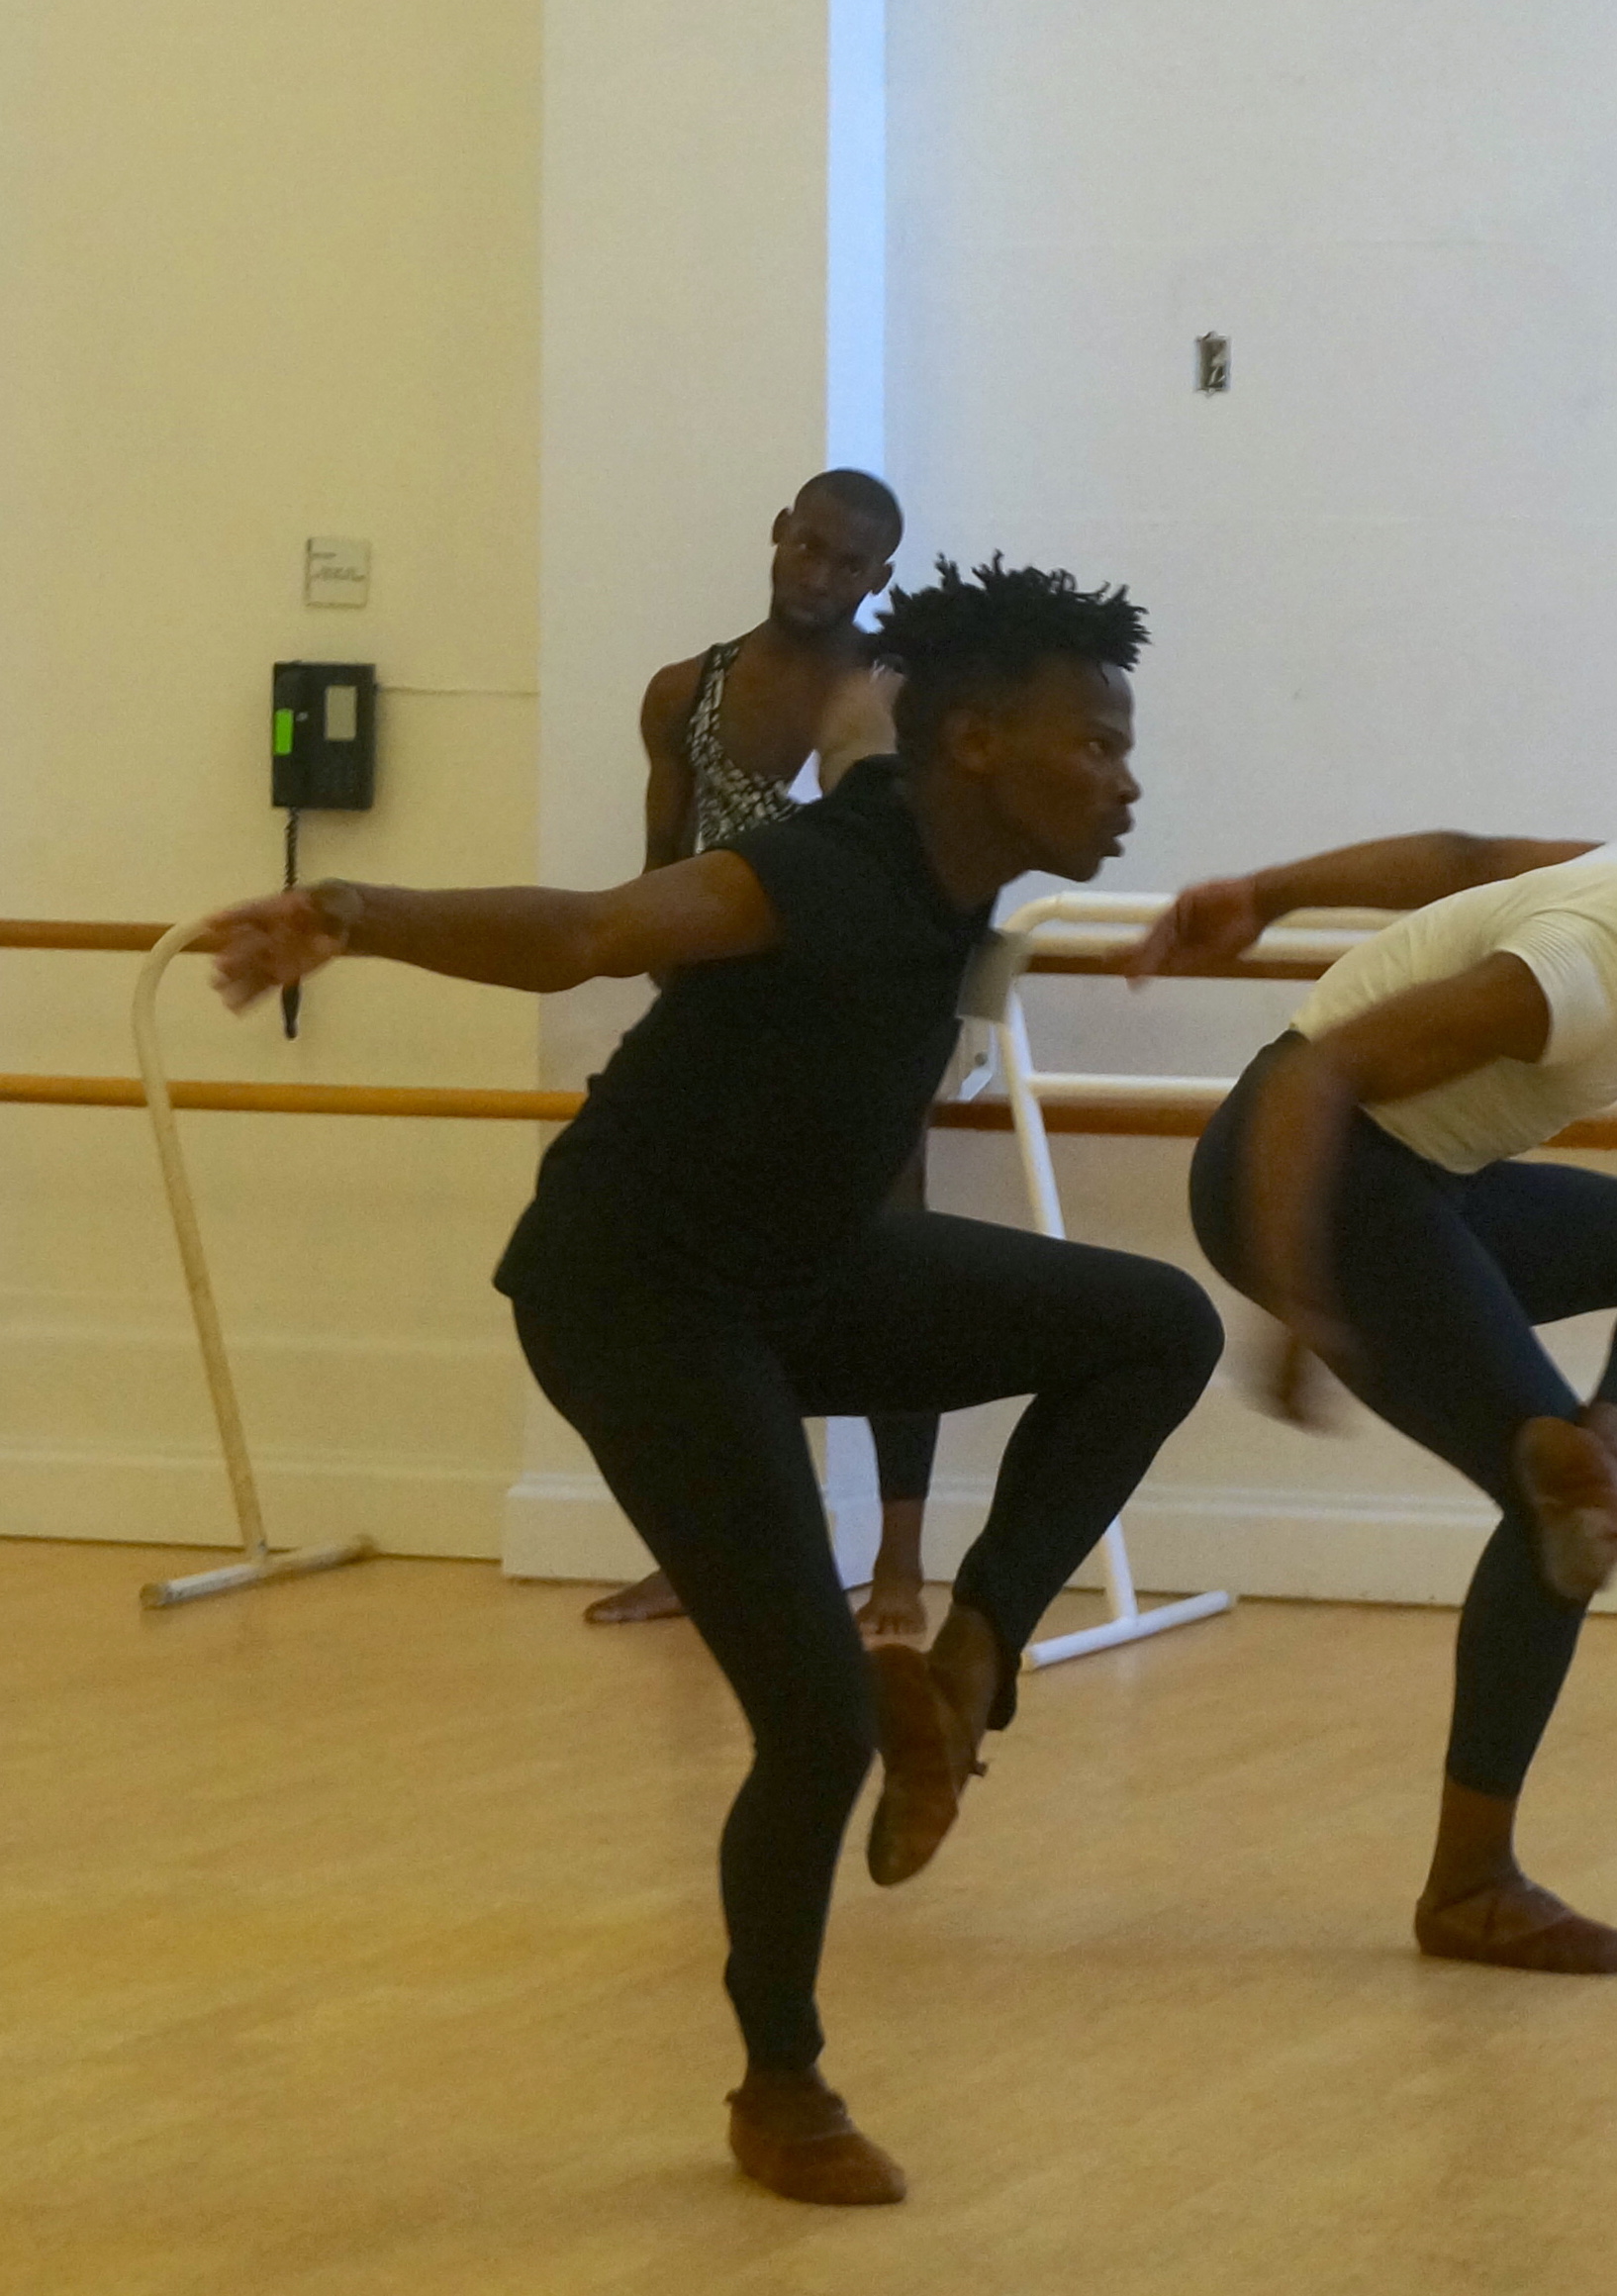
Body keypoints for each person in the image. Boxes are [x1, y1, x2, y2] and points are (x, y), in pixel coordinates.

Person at [201, 558, 1224, 2209]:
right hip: (640, 1302)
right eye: (1095, 744)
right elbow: (592, 931)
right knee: (813, 1717)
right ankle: (781, 2084)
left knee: (1154, 1324)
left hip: (803, 1272)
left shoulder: (956, 884)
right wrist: (354, 912)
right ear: (979, 743)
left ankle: (965, 1667)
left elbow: (872, 717)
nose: (1126, 781)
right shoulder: (816, 871)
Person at [1132, 721, 1617, 1980]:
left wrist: (1266, 893)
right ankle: (1471, 1888)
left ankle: (1608, 1451)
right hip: (1314, 1172)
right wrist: (1298, 1298)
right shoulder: (1582, 970)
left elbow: (1466, 857)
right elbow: (1317, 1081)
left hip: (1424, 1178)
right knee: (1547, 1516)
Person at [590, 465, 943, 1639]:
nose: (821, 575)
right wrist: (702, 1013)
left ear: (880, 576)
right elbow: (660, 873)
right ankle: (711, 1558)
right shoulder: (685, 693)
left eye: (850, 563)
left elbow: (947, 873)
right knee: (694, 1298)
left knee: (892, 1275)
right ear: (780, 532)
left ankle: (901, 1566)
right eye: (810, 546)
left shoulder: (903, 696)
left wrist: (924, 1020)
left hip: (868, 1037)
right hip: (727, 1034)